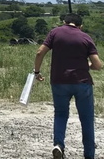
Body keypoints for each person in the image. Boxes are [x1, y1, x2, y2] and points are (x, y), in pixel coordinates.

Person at [34, 12, 101, 159]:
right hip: (82, 82)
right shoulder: (86, 38)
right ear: (80, 25)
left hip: (59, 81)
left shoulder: (55, 33)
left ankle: (59, 145)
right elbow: (98, 64)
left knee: (60, 114)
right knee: (87, 118)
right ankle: (89, 154)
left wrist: (37, 72)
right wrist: (87, 65)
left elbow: (40, 52)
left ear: (64, 22)